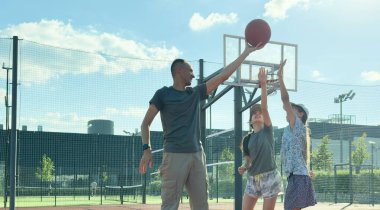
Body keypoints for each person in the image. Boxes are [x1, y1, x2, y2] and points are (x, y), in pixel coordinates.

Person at [139, 41, 262, 210]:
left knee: (201, 206)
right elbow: (145, 123)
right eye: (190, 70)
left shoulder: (195, 93)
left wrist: (246, 52)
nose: (193, 74)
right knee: (169, 206)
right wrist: (147, 149)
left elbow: (223, 75)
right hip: (174, 155)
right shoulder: (163, 94)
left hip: (197, 156)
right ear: (178, 71)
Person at [238, 67, 282, 210]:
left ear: (264, 118)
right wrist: (244, 167)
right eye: (254, 113)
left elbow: (264, 107)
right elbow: (248, 160)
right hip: (252, 179)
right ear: (250, 121)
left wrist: (263, 85)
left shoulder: (267, 131)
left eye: (259, 113)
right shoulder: (247, 139)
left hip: (270, 177)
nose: (257, 114)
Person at [278, 59, 317, 210]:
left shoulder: (298, 126)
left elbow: (284, 100)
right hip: (294, 177)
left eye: (293, 109)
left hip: (299, 178)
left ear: (300, 114)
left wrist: (280, 78)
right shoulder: (288, 130)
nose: (288, 109)